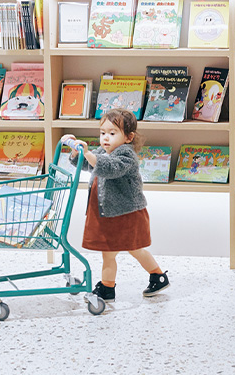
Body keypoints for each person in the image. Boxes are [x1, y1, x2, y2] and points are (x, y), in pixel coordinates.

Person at [62, 108, 169, 303]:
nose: (105, 138)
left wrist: (88, 153)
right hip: (106, 212)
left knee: (135, 249)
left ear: (128, 137)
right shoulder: (103, 151)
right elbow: (88, 164)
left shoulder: (127, 157)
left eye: (112, 133)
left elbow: (109, 168)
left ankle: (156, 275)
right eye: (103, 133)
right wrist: (76, 152)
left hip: (126, 214)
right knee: (109, 252)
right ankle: (109, 287)